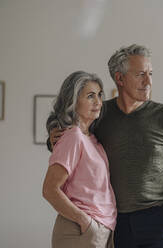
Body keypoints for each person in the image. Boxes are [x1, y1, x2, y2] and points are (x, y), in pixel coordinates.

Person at [49, 44, 163, 248]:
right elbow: (74, 138)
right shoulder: (100, 113)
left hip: (157, 220)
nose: (148, 81)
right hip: (116, 223)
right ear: (120, 78)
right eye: (140, 74)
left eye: (150, 73)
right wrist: (53, 136)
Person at [43, 71, 116, 248]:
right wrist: (85, 221)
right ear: (73, 101)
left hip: (101, 228)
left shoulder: (91, 138)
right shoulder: (73, 136)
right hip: (82, 230)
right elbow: (49, 189)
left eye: (99, 95)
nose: (98, 102)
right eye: (90, 96)